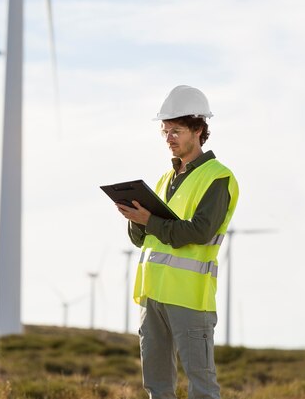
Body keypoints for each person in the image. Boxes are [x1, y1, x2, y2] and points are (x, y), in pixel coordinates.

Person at [116, 85, 239, 399]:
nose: (169, 137)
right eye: (165, 131)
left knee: (201, 385)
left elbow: (198, 231)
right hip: (152, 294)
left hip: (189, 297)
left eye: (176, 130)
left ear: (198, 130)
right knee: (157, 386)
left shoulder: (217, 178)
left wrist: (150, 221)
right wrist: (135, 218)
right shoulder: (163, 179)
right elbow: (143, 239)